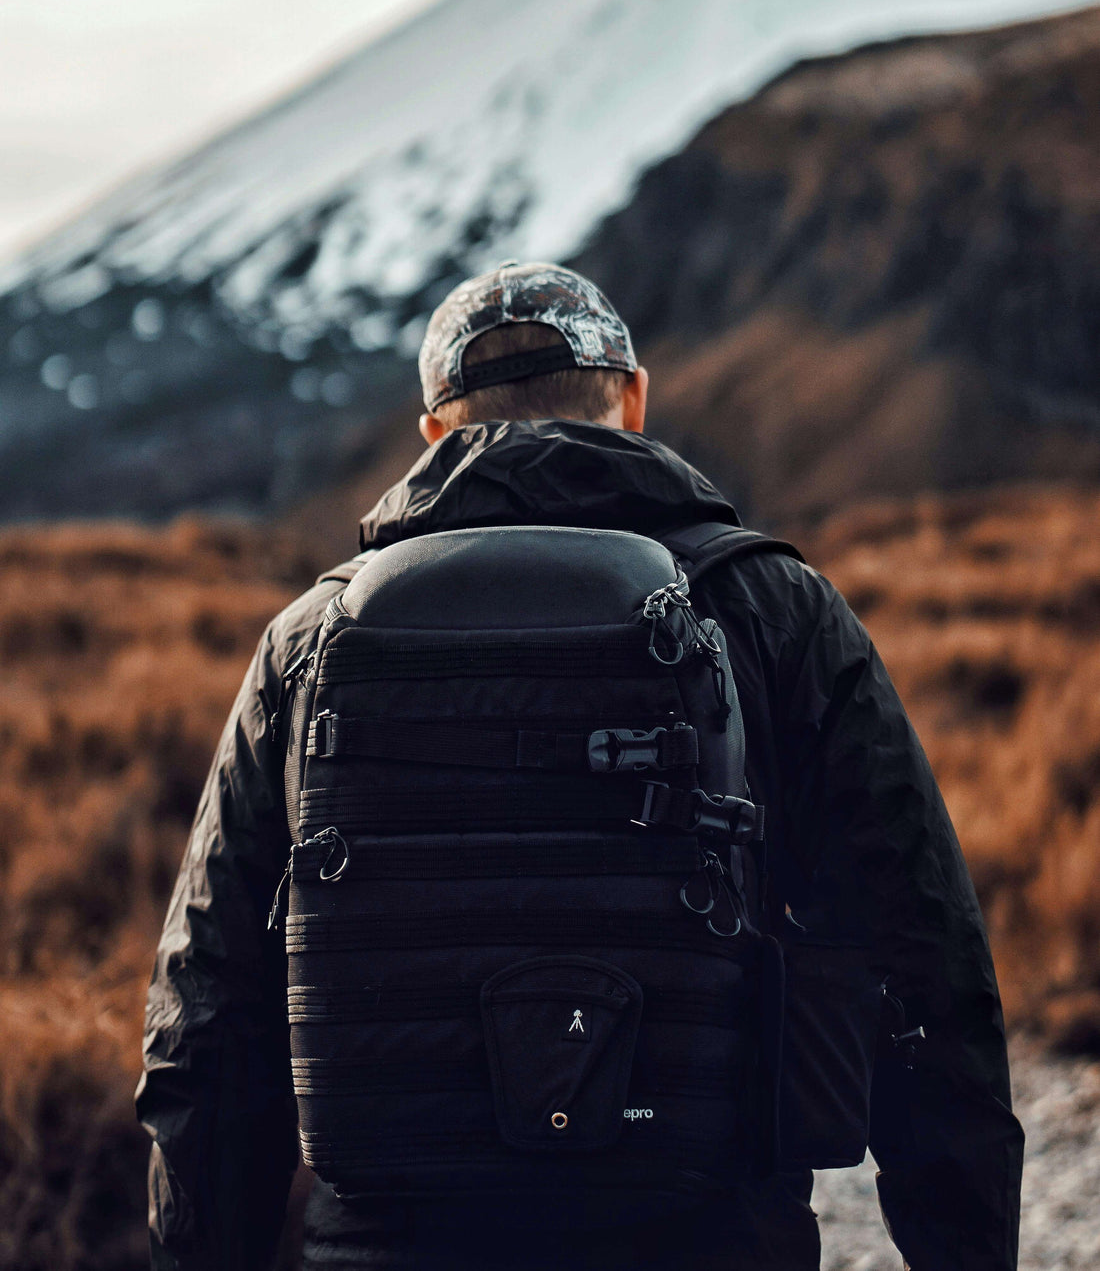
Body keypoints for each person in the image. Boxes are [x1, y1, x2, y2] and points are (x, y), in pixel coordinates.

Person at [137, 261, 1024, 1271]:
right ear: (632, 401)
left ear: (436, 432)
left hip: (387, 1247)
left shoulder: (307, 641)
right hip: (706, 1236)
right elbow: (927, 962)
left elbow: (204, 1014)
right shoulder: (774, 609)